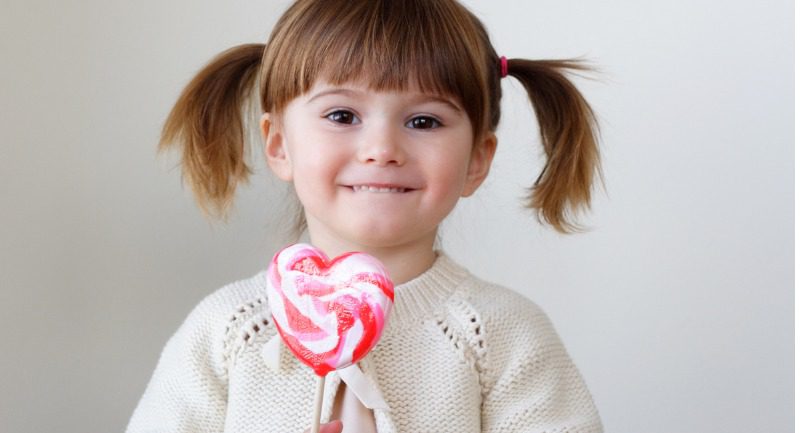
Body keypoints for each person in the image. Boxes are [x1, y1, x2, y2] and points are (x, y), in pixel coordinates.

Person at [126, 0, 606, 432]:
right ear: (278, 144)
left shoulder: (502, 335)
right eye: (341, 115)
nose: (382, 150)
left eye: (424, 121)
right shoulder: (227, 331)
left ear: (476, 160)